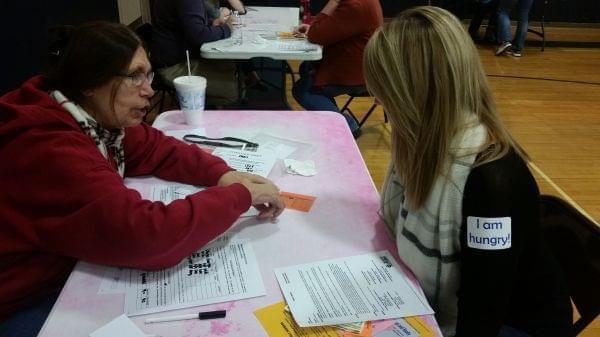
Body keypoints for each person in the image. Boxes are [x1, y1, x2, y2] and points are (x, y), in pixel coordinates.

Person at [0, 21, 284, 337]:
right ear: (90, 83)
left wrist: (223, 174)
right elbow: (147, 237)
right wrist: (239, 196)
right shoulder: (50, 148)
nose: (149, 89)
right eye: (134, 76)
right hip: (24, 297)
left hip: (62, 266)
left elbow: (153, 146)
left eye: (147, 74)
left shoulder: (84, 115)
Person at [364, 7, 573, 337]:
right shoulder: (420, 143)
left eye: (384, 91)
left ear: (414, 95)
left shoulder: (493, 182)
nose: (377, 100)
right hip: (477, 309)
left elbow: (482, 313)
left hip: (512, 324)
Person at [291, 0, 383, 138]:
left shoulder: (354, 5)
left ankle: (348, 125)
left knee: (302, 90)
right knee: (306, 67)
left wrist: (333, 2)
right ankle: (329, 116)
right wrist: (315, 29)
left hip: (356, 74)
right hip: (363, 66)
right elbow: (331, 29)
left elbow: (316, 35)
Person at [151, 0, 241, 106]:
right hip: (173, 67)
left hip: (176, 59)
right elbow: (198, 35)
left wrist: (211, 23)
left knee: (229, 65)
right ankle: (188, 100)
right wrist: (227, 28)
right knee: (232, 90)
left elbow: (185, 24)